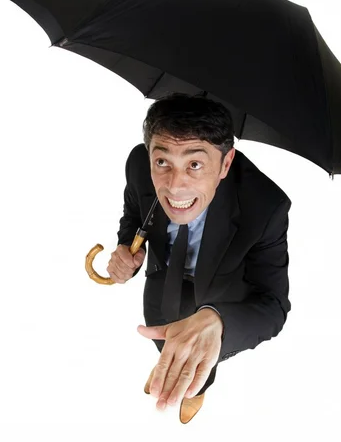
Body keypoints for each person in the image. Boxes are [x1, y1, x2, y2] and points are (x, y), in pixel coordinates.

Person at [107, 93, 292, 423]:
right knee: (162, 332)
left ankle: (199, 384)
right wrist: (127, 247)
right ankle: (171, 362)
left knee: (200, 349)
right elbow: (134, 211)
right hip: (164, 273)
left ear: (225, 163)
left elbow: (273, 305)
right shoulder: (139, 164)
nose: (176, 186)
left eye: (194, 164)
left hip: (223, 288)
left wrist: (219, 321)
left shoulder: (266, 205)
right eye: (163, 162)